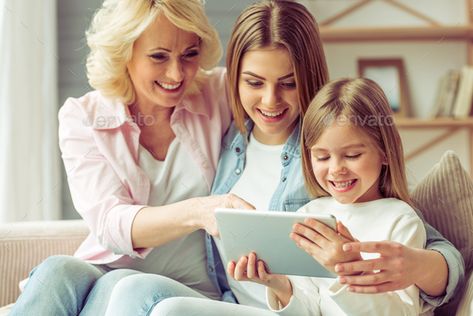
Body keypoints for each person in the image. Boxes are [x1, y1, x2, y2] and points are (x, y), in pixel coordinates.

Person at [104, 1, 464, 315]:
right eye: (254, 83)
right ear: (233, 81)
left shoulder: (328, 149)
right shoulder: (230, 139)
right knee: (126, 285)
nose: (271, 101)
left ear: (309, 76)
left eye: (289, 83)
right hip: (238, 302)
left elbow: (418, 238)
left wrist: (417, 266)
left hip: (289, 310)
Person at [10, 0, 253, 315]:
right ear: (123, 52)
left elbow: (292, 104)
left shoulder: (219, 92)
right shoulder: (84, 116)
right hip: (108, 270)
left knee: (123, 282)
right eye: (158, 56)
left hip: (191, 288)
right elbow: (111, 224)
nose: (177, 73)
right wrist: (199, 211)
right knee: (58, 269)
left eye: (189, 54)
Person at [236, 77, 429, 315]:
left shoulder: (400, 220)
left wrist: (347, 269)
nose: (336, 169)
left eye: (352, 155)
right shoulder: (309, 215)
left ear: (385, 152)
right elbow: (307, 310)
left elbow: (402, 313)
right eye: (322, 157)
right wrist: (277, 284)